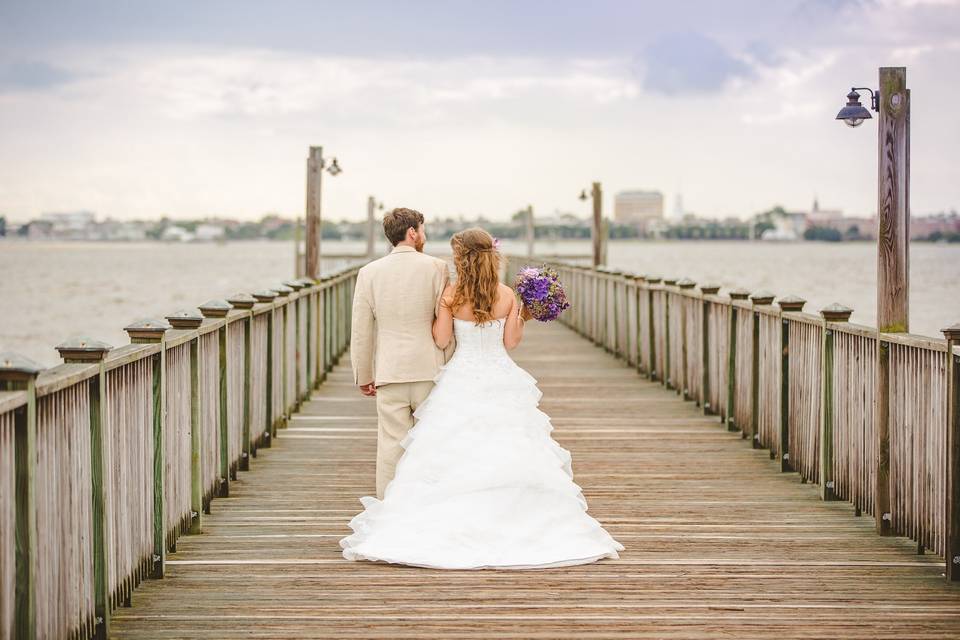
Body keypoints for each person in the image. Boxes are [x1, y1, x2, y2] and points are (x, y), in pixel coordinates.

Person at [341, 227, 623, 569]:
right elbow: (511, 344)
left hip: (461, 378)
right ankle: (517, 519)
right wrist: (523, 316)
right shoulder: (507, 296)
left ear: (460, 260)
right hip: (501, 378)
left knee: (451, 451)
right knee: (510, 447)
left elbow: (442, 340)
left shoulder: (451, 294)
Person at [349, 207, 452, 499]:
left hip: (389, 371)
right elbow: (443, 323)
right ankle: (428, 505)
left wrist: (364, 375)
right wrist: (450, 365)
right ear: (412, 232)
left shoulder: (368, 273)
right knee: (431, 444)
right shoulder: (436, 267)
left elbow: (362, 330)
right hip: (429, 369)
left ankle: (388, 512)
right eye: (423, 229)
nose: (424, 235)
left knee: (391, 447)